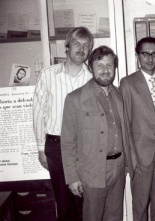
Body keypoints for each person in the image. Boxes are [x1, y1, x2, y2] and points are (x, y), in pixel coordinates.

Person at [61, 46, 134, 221]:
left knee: (115, 216)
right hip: (91, 171)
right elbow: (68, 142)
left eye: (109, 65)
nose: (105, 70)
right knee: (92, 217)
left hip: (118, 167)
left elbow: (125, 132)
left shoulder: (118, 95)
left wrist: (126, 165)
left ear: (115, 68)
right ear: (90, 67)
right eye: (100, 65)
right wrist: (72, 177)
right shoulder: (75, 99)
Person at [33, 27, 94, 221]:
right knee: (64, 203)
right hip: (56, 146)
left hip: (85, 147)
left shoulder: (92, 78)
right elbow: (38, 112)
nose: (81, 49)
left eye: (86, 46)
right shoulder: (48, 75)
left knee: (84, 203)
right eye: (77, 43)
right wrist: (41, 148)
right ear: (67, 46)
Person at [120, 36, 155, 221]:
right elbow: (125, 124)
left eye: (154, 54)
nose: (150, 59)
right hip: (140, 155)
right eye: (145, 54)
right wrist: (131, 157)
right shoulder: (127, 83)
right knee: (140, 204)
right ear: (138, 55)